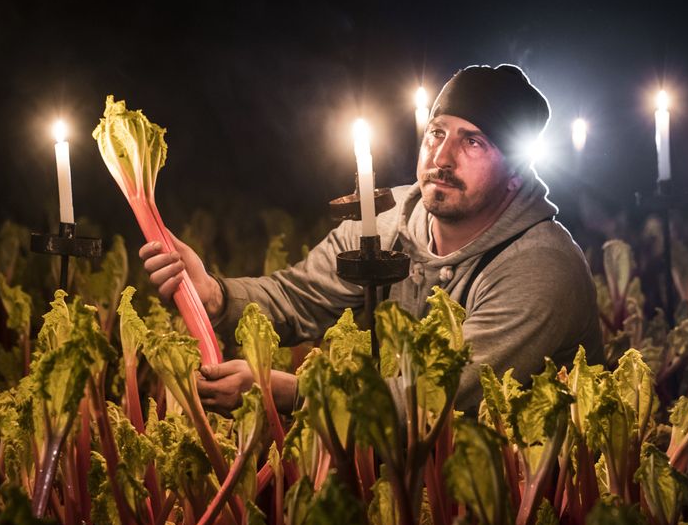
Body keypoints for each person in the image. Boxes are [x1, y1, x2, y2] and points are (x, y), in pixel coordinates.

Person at [140, 63, 605, 416]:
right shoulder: (385, 221)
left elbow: (435, 398)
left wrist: (289, 391)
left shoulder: (540, 266)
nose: (441, 157)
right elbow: (298, 295)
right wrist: (215, 296)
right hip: (392, 473)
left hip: (513, 501)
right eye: (436, 133)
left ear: (516, 175)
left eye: (474, 142)